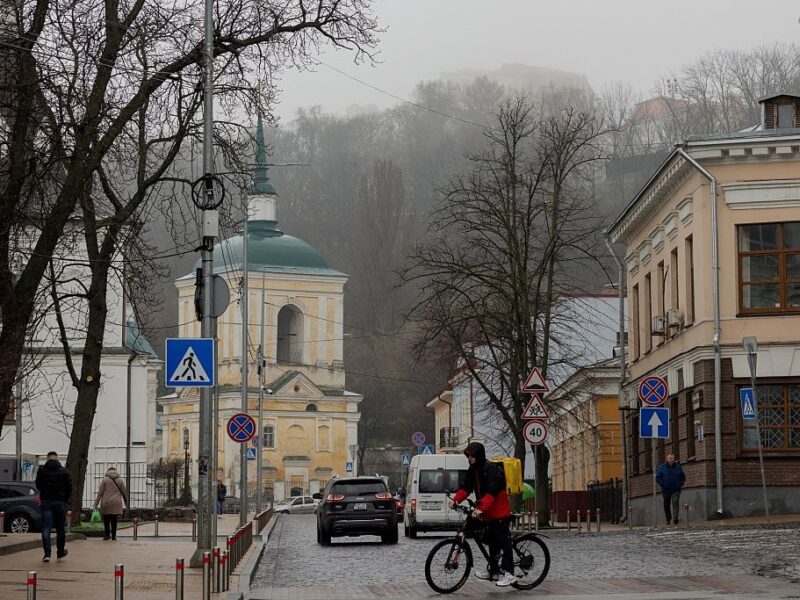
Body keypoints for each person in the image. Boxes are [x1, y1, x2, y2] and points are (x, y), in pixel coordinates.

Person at [451, 442, 516, 587]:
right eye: (468, 456)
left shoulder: (491, 469)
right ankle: (493, 570)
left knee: (503, 541)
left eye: (472, 456)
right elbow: (466, 488)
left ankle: (509, 573)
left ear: (479, 455)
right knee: (492, 541)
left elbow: (492, 493)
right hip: (488, 513)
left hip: (499, 511)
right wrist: (456, 500)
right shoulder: (473, 470)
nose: (470, 458)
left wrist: (480, 508)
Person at [35, 451, 72, 562]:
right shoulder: (64, 471)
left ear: (47, 459)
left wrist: (44, 493)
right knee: (60, 527)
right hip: (59, 502)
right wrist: (64, 499)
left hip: (46, 501)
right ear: (57, 459)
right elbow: (69, 487)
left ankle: (47, 554)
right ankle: (60, 551)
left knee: (46, 527)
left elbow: (38, 485)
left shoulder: (42, 471)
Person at [94, 466, 129, 540]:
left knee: (106, 519)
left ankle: (107, 535)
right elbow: (124, 493)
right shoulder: (120, 480)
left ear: (108, 472)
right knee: (114, 520)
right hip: (116, 502)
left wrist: (96, 503)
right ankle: (113, 536)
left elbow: (100, 493)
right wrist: (126, 503)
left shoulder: (105, 480)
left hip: (106, 502)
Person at [656, 452, 686, 525]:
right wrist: (663, 485)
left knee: (675, 502)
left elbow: (683, 476)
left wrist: (680, 484)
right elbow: (658, 477)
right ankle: (668, 519)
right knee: (667, 504)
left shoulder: (678, 467)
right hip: (666, 489)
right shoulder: (662, 467)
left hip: (676, 489)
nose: (672, 460)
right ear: (667, 459)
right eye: (670, 458)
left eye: (673, 458)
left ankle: (675, 518)